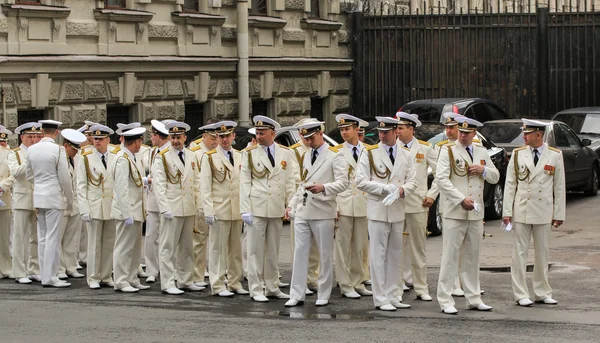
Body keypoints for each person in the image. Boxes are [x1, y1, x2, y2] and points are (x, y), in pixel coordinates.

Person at [436, 116, 500, 315]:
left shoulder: (481, 151)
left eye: (467, 133)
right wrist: (460, 199)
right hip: (455, 211)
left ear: (474, 134)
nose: (463, 136)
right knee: (450, 257)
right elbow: (441, 180)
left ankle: (473, 298)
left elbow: (495, 176)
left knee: (473, 257)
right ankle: (445, 299)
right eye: (460, 132)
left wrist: (483, 170)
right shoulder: (447, 150)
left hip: (475, 212)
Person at [355, 116, 418, 311]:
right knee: (377, 255)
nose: (382, 135)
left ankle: (393, 294)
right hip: (378, 209)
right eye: (380, 132)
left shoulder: (406, 154)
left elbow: (413, 181)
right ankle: (380, 298)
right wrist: (385, 188)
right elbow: (361, 181)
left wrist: (400, 191)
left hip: (397, 209)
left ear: (395, 132)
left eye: (386, 132)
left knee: (395, 254)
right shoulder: (370, 153)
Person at [284, 121, 348, 307]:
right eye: (306, 138)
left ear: (320, 133)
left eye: (311, 137)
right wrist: (291, 205)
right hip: (304, 209)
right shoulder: (306, 155)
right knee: (300, 253)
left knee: (325, 254)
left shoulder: (335, 155)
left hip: (323, 211)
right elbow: (302, 184)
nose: (309, 141)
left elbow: (343, 183)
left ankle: (323, 292)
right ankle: (296, 293)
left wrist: (324, 187)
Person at [503, 119, 565, 307]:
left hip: (544, 210)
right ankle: (521, 293)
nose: (524, 136)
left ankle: (542, 292)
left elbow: (559, 186)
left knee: (542, 254)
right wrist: (507, 211)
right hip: (522, 209)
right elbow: (510, 184)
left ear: (539, 135)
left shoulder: (555, 155)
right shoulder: (517, 154)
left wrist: (559, 213)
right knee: (519, 253)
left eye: (527, 133)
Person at [240, 115, 296, 303]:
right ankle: (256, 289)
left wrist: (291, 205)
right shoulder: (249, 153)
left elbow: (289, 182)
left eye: (262, 133)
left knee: (273, 250)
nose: (259, 136)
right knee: (254, 251)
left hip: (275, 207)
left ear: (272, 133)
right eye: (257, 132)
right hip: (256, 207)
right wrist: (245, 209)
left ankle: (272, 286)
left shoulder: (285, 153)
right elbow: (244, 183)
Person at [153, 121, 204, 295]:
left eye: (178, 137)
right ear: (168, 138)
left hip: (188, 207)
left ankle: (185, 279)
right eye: (173, 137)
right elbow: (159, 185)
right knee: (168, 247)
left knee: (187, 247)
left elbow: (196, 182)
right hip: (172, 208)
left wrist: (199, 204)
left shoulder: (191, 155)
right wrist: (164, 208)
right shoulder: (162, 156)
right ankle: (167, 283)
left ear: (185, 138)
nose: (175, 141)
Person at [201, 121, 249, 297]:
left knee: (235, 250)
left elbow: (243, 184)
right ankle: (218, 284)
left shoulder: (239, 156)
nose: (225, 139)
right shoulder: (209, 157)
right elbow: (205, 186)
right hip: (219, 209)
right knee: (218, 250)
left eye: (228, 136)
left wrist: (246, 208)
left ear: (233, 136)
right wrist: (209, 210)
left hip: (236, 209)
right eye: (221, 137)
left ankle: (235, 281)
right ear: (217, 138)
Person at [395, 112, 439, 302]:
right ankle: (398, 286)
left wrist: (431, 195)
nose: (397, 131)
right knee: (396, 247)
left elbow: (440, 174)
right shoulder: (393, 148)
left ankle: (421, 287)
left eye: (401, 128)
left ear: (411, 129)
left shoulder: (426, 148)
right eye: (396, 128)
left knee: (418, 248)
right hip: (396, 203)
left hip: (418, 203)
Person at [25, 120, 74, 288]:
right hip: (54, 197)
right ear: (56, 132)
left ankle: (46, 275)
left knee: (43, 237)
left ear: (41, 131)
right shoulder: (58, 149)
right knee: (52, 237)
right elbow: (65, 177)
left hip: (39, 196)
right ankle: (50, 276)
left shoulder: (31, 149)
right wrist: (70, 198)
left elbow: (28, 175)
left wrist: (40, 184)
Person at [332, 114, 372, 299]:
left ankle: (358, 281)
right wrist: (335, 206)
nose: (344, 132)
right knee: (342, 246)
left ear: (357, 130)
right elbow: (332, 181)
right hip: (344, 203)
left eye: (347, 129)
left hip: (363, 203)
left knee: (360, 246)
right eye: (341, 129)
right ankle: (345, 284)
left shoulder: (369, 150)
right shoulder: (336, 151)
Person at [77, 124, 119, 289]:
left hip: (110, 204)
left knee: (109, 242)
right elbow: (81, 185)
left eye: (101, 139)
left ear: (108, 139)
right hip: (94, 205)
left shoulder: (115, 155)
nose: (97, 142)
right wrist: (84, 209)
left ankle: (106, 275)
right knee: (94, 243)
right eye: (95, 139)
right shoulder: (85, 156)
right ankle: (93, 277)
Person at [111, 126, 151, 293]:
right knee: (123, 247)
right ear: (136, 142)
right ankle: (120, 280)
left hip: (136, 210)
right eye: (140, 141)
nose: (141, 144)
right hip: (126, 211)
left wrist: (145, 180)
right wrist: (126, 213)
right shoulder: (122, 159)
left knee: (134, 248)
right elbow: (121, 189)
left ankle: (132, 278)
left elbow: (132, 181)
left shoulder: (131, 157)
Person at [288, 118, 321, 293]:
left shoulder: (323, 150)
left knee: (315, 245)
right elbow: (295, 175)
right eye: (302, 132)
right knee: (299, 245)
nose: (305, 136)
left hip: (318, 200)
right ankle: (300, 278)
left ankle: (312, 277)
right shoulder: (294, 151)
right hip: (300, 200)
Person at [9, 122, 41, 284]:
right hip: (22, 198)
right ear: (22, 137)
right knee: (19, 237)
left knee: (36, 236)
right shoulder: (15, 153)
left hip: (37, 199)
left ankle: (34, 269)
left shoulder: (40, 152)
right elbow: (15, 172)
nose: (34, 140)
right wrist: (30, 160)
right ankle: (19, 272)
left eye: (36, 136)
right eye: (30, 137)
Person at [190, 121, 220, 288]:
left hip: (219, 202)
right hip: (201, 203)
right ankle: (197, 275)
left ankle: (218, 274)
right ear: (204, 136)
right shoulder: (195, 152)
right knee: (199, 242)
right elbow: (193, 180)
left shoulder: (219, 152)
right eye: (212, 138)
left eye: (217, 137)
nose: (215, 141)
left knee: (219, 242)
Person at [57, 129, 86, 280]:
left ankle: (71, 266)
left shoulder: (77, 158)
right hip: (61, 202)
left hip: (75, 204)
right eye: (73, 149)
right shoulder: (59, 157)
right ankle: (60, 268)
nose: (75, 152)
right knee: (59, 237)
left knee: (71, 238)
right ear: (66, 145)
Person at [144, 120, 171, 284]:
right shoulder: (153, 152)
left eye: (153, 135)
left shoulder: (170, 152)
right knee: (151, 236)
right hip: (153, 199)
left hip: (168, 199)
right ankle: (151, 270)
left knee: (168, 238)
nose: (151, 138)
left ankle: (168, 268)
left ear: (160, 136)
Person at [0, 127, 15, 279]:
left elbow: (14, 175)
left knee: (4, 236)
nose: (2, 144)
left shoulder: (9, 154)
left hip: (3, 198)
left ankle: (5, 268)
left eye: (3, 141)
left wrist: (3, 186)